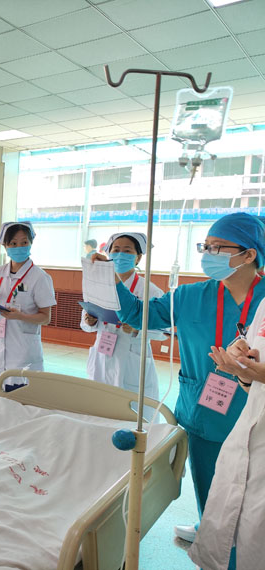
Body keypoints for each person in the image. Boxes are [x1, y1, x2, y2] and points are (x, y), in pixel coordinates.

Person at [99, 212, 265, 544]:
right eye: (205, 246)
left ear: (249, 255)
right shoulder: (190, 297)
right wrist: (111, 279)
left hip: (255, 412)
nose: (207, 254)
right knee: (209, 484)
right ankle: (209, 532)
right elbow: (137, 314)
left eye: (217, 247)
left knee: (251, 498)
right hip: (205, 409)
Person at [191, 306, 265, 570]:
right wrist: (243, 369)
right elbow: (253, 385)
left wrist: (258, 373)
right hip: (251, 438)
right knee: (248, 543)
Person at [80, 232, 165, 400]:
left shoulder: (150, 290)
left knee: (129, 406)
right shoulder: (99, 284)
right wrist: (90, 321)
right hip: (102, 352)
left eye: (127, 251)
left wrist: (137, 329)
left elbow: (163, 331)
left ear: (138, 258)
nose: (120, 255)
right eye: (116, 250)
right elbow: (86, 321)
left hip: (131, 357)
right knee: (98, 403)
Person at [0, 221, 56, 394]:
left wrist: (20, 316)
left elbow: (46, 317)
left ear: (31, 243)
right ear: (5, 246)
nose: (19, 247)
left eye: (24, 242)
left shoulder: (40, 277)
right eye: (13, 243)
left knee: (20, 399)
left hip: (23, 351)